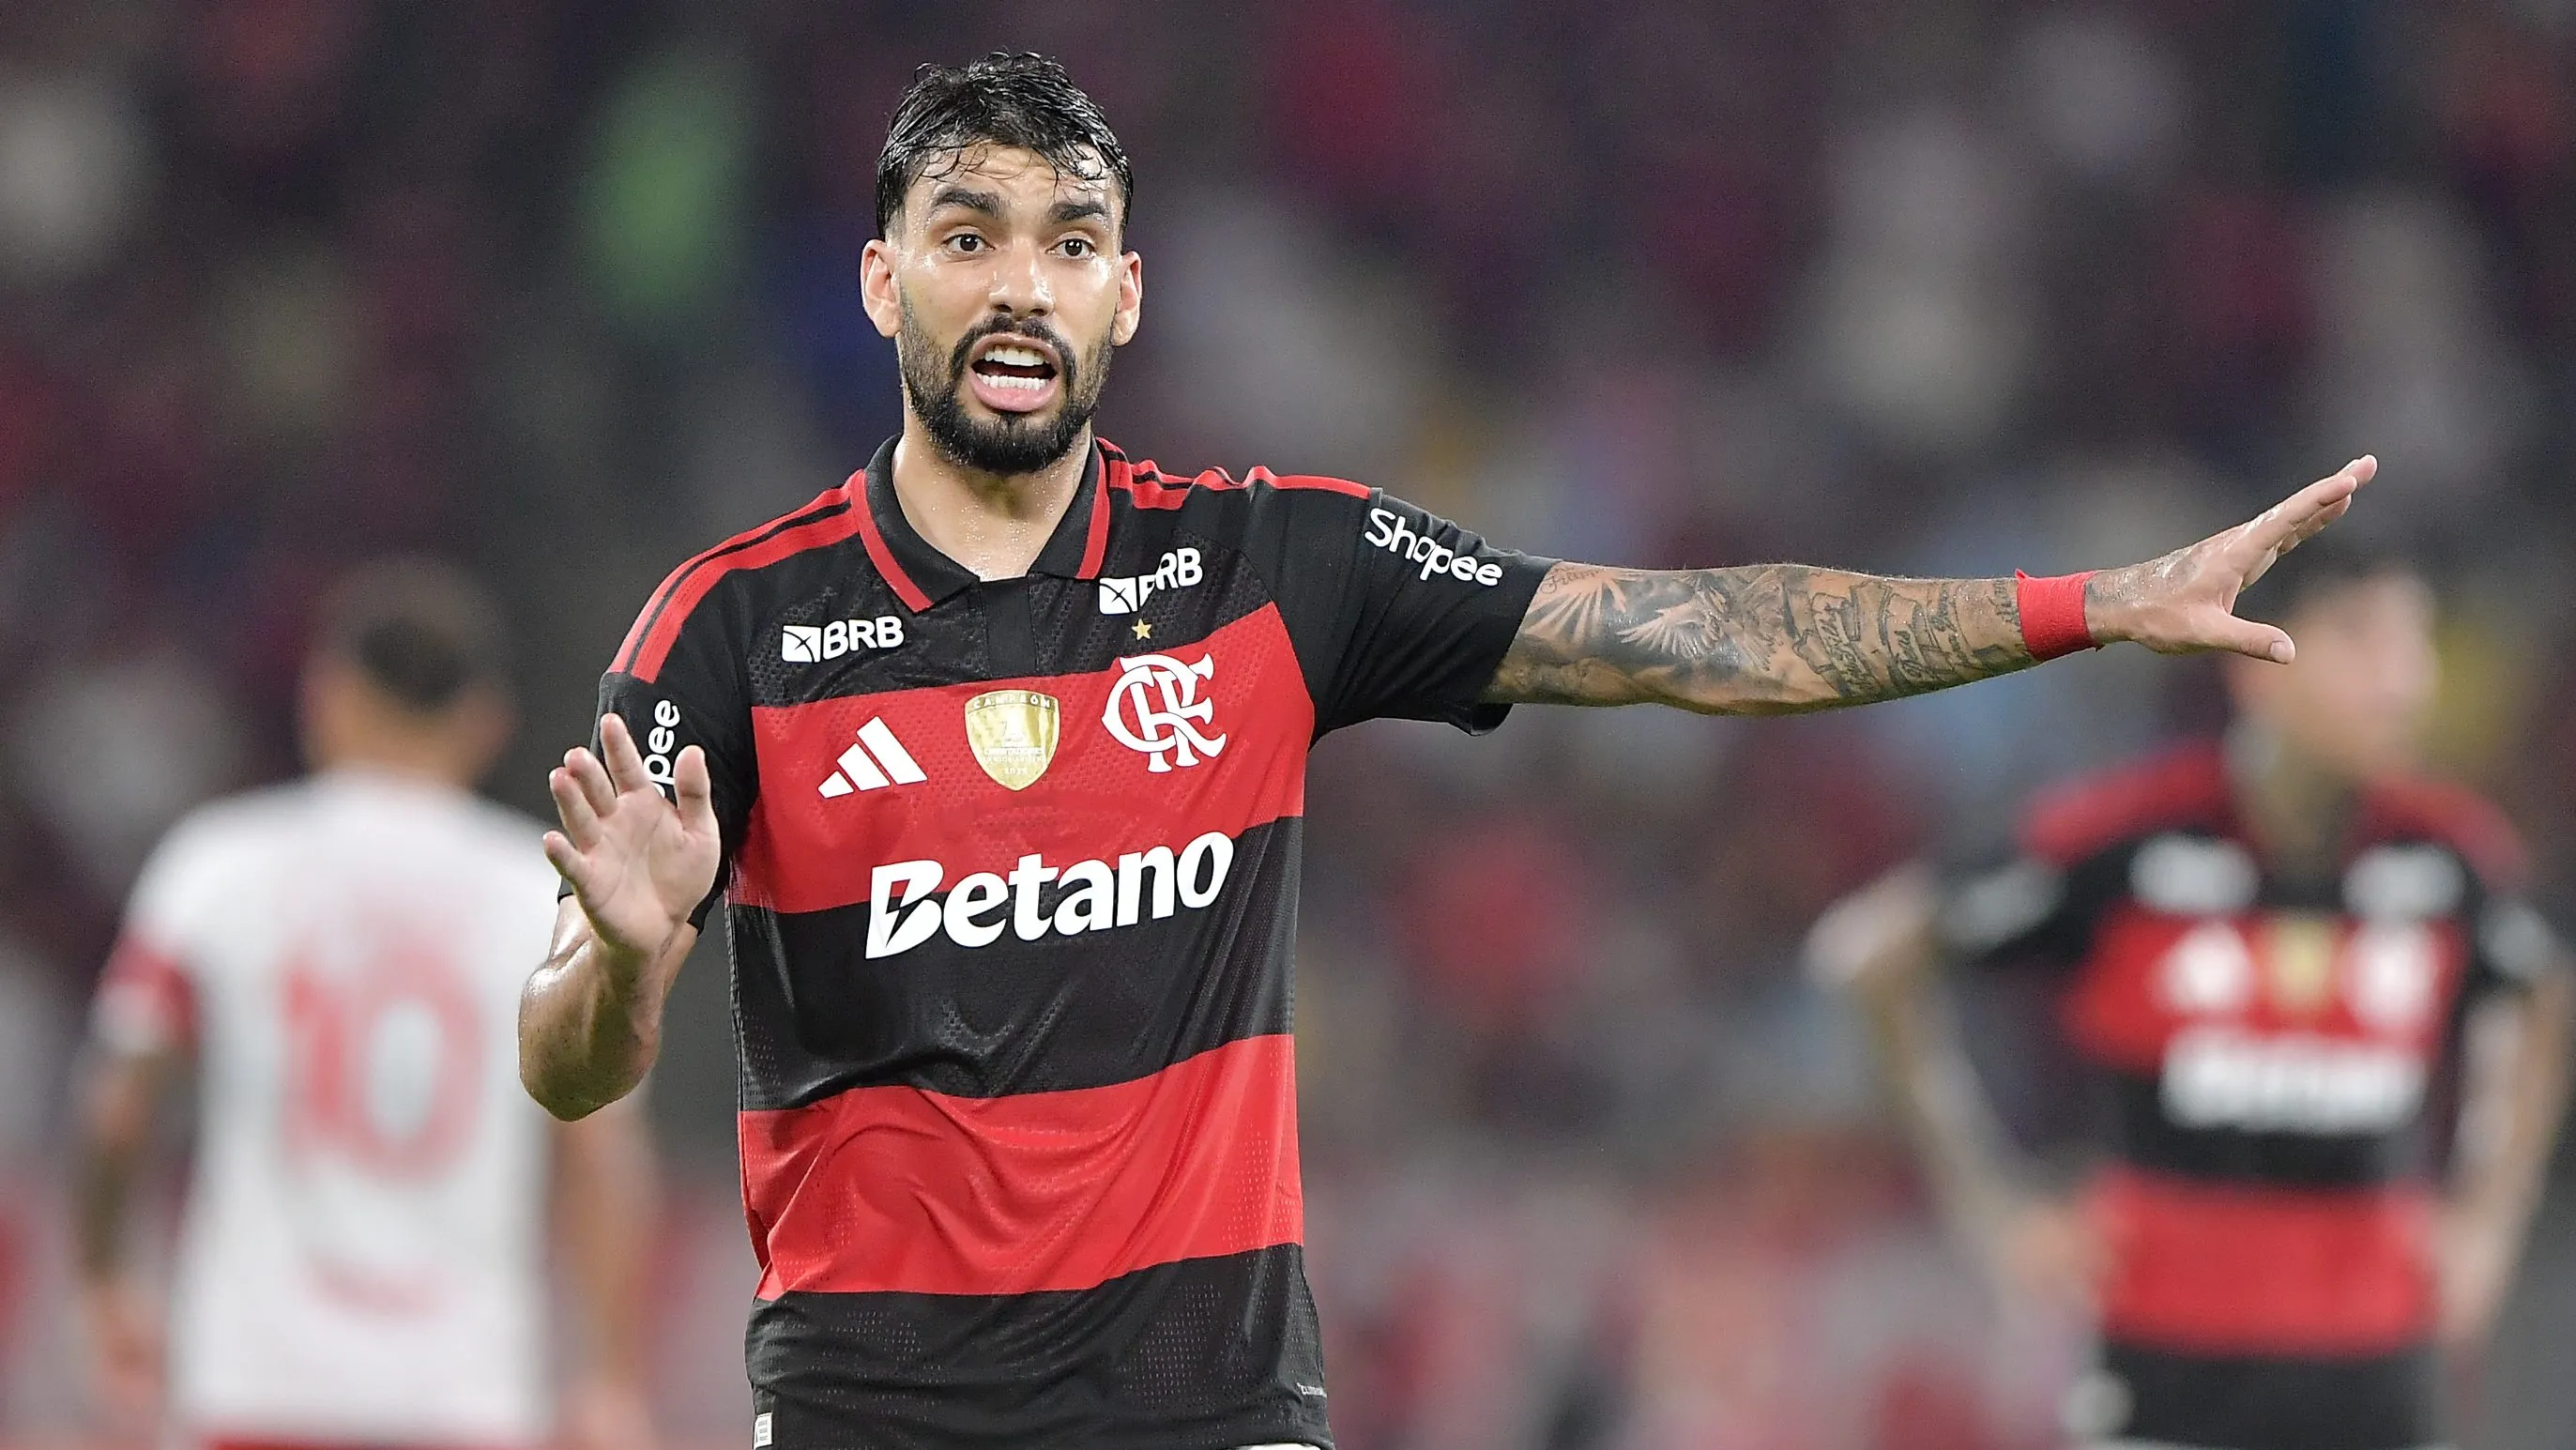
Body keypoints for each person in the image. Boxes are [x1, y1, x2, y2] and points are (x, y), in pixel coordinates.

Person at [516, 52, 2378, 1450]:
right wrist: (615, 951)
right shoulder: (731, 630)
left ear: (1127, 295)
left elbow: (1694, 640)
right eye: (969, 237)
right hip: (873, 1412)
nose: (1021, 286)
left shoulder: (1264, 566)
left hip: (1209, 1405)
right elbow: (571, 1074)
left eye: (1068, 243)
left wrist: (2086, 602)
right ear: (878, 281)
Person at [1806, 540, 2572, 1450]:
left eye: (2415, 642)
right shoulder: (2124, 842)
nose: (2405, 678)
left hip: (2378, 1368)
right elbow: (1872, 955)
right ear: (2259, 664)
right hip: (2167, 1366)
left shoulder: (2446, 858)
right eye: (2364, 640)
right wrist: (1989, 1200)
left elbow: (2540, 989)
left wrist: (2490, 1213)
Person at [73, 560, 660, 1450]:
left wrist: (106, 1281)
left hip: (254, 1384)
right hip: (460, 1394)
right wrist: (609, 1375)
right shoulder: (545, 895)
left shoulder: (219, 866)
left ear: (326, 695)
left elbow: (117, 1108)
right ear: (484, 723)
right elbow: (600, 1154)